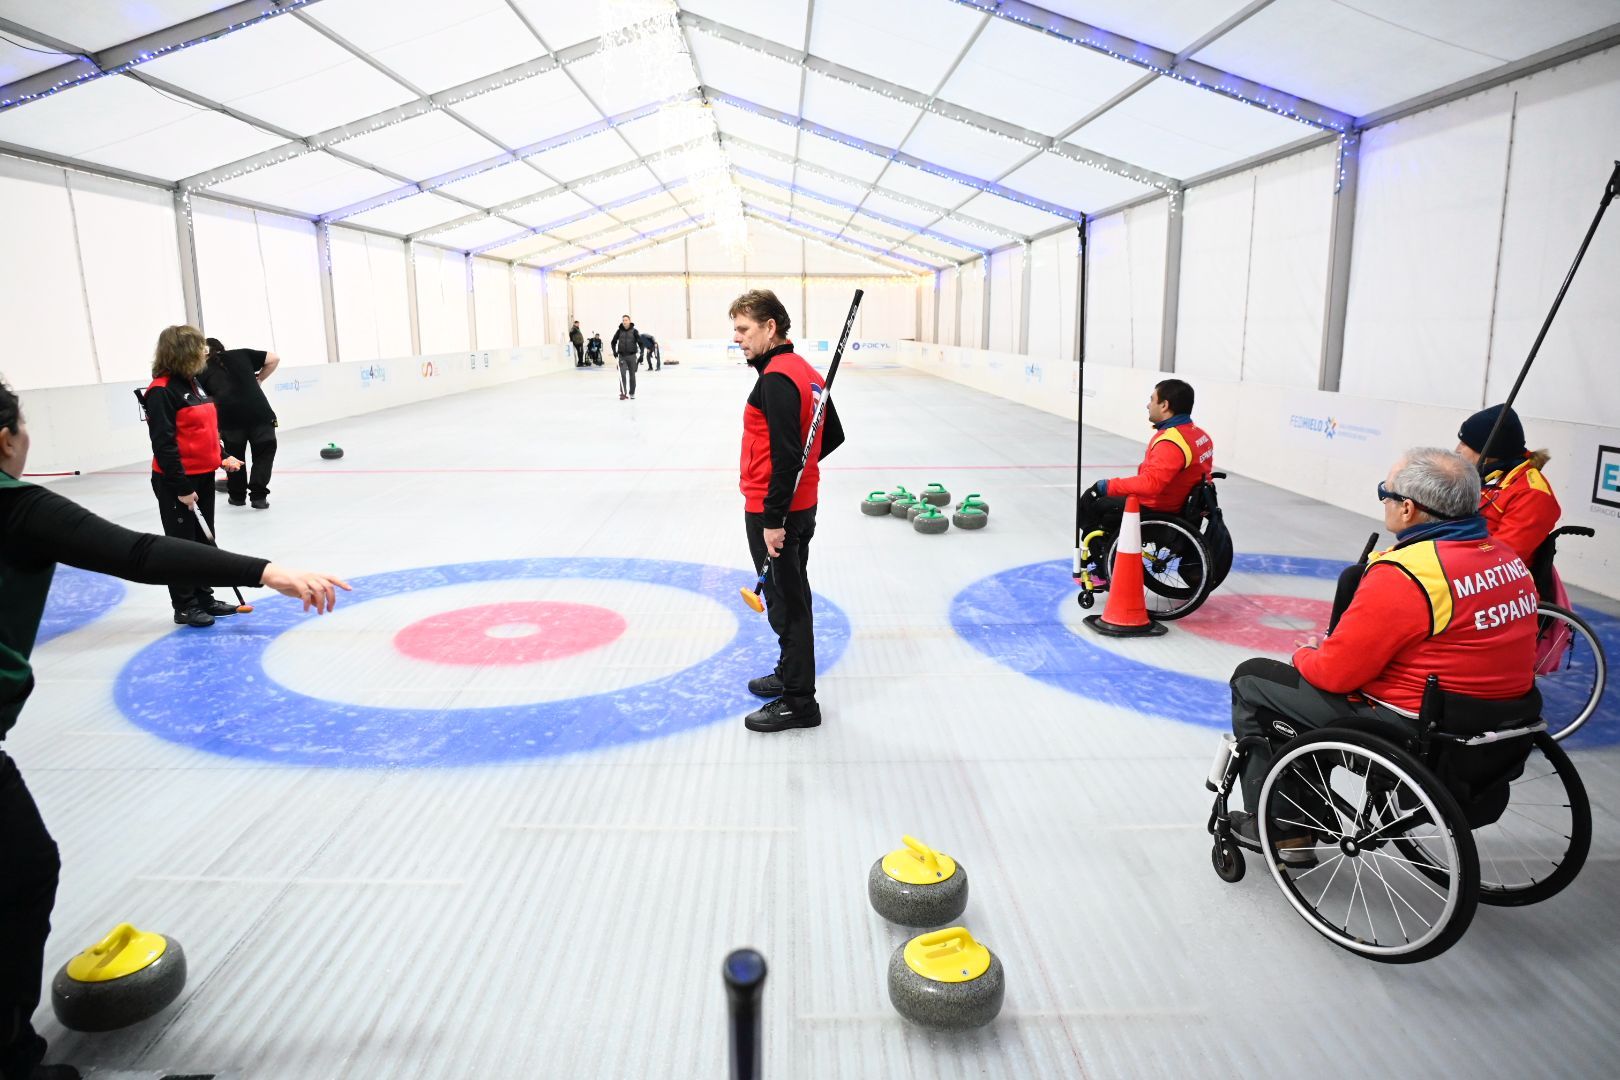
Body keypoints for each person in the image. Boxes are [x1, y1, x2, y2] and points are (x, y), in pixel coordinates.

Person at [0, 377, 349, 1080]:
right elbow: (135, 553)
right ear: (7, 438)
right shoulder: (18, 508)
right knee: (24, 870)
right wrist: (266, 569)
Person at [1227, 448, 1538, 862]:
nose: (1385, 503)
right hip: (1496, 725)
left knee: (1255, 683)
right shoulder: (1508, 560)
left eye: (1385, 494)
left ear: (1408, 509)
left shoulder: (1410, 575)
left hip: (1415, 730)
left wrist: (1305, 654)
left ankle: (1286, 831)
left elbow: (1334, 674)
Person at [731, 289, 845, 733]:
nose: (738, 339)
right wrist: (801, 479)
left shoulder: (777, 378)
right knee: (786, 595)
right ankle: (788, 673)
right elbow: (829, 436)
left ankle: (799, 700)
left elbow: (786, 453)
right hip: (801, 505)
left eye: (744, 330)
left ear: (769, 327)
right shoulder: (806, 372)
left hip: (772, 510)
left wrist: (774, 520)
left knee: (787, 602)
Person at [142, 326, 244, 627]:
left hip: (203, 474)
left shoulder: (194, 383)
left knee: (202, 540)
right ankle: (184, 605)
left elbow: (207, 429)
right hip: (178, 481)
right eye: (200, 348)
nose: (205, 353)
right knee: (181, 544)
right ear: (183, 352)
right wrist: (181, 486)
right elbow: (164, 444)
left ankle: (204, 597)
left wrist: (221, 454)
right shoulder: (161, 391)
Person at [1076, 378, 1213, 585]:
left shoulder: (1171, 442)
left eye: (1152, 400)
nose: (1148, 405)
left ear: (1165, 405)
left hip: (1159, 509)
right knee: (1102, 498)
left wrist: (1107, 486)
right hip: (1180, 506)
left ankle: (1105, 568)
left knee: (1091, 506)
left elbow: (1151, 484)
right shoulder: (1199, 435)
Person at [1455, 403, 1562, 569]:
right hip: (1458, 560)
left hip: (1492, 581)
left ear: (1489, 453)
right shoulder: (1484, 474)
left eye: (1464, 444)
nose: (1457, 449)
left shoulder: (1532, 495)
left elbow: (1500, 559)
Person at [197, 337, 278, 510]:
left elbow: (205, 403)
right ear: (222, 348)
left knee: (233, 458)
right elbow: (274, 359)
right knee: (264, 455)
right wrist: (260, 379)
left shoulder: (200, 370)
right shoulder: (242, 354)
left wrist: (215, 428)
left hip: (230, 421)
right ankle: (258, 497)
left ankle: (237, 496)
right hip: (261, 415)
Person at [611, 315, 639, 400]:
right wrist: (614, 351)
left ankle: (632, 393)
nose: (624, 322)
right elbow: (613, 342)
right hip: (622, 356)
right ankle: (623, 393)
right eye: (623, 320)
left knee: (632, 375)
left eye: (626, 320)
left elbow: (640, 343)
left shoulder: (634, 331)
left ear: (629, 321)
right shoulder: (619, 331)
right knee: (622, 374)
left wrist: (641, 354)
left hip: (632, 356)